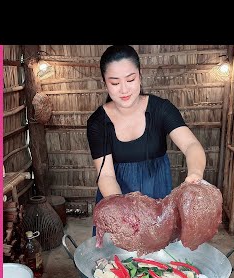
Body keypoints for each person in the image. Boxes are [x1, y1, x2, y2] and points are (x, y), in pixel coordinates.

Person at [87, 45, 206, 236]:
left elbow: (191, 145)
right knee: (115, 258)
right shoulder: (98, 123)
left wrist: (195, 174)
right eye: (115, 83)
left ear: (140, 75)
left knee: (156, 255)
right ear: (104, 82)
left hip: (156, 192)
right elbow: (106, 175)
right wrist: (123, 211)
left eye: (131, 79)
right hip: (115, 196)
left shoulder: (161, 109)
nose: (124, 89)